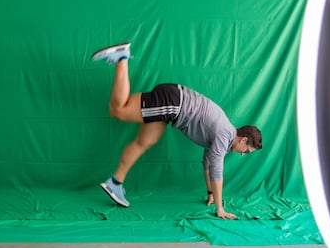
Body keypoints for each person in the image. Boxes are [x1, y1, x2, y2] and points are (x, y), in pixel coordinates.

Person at [91, 42, 262, 219]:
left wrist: (210, 193)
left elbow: (208, 162)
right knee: (118, 110)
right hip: (172, 104)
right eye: (246, 151)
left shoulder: (224, 134)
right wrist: (220, 208)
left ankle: (115, 182)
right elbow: (217, 171)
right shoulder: (224, 135)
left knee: (144, 142)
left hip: (173, 103)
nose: (243, 154)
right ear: (243, 140)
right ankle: (122, 58)